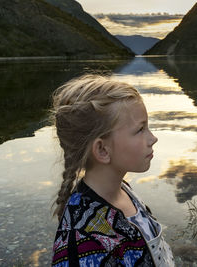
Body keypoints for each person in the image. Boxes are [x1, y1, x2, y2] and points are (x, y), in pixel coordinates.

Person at [50, 74, 175, 267]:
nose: (153, 138)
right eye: (140, 129)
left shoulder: (123, 189)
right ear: (102, 150)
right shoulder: (84, 240)